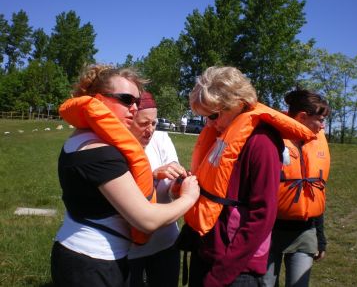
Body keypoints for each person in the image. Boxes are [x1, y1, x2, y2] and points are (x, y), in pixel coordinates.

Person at [51, 64, 199, 287]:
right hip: (92, 264)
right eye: (127, 100)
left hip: (80, 255)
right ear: (98, 99)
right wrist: (189, 196)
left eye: (137, 102)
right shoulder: (99, 151)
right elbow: (146, 220)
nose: (133, 108)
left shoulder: (82, 138)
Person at [180, 66, 315, 287]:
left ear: (236, 103)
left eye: (213, 115)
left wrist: (220, 275)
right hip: (208, 252)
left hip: (235, 269)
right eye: (205, 117)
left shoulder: (261, 142)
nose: (209, 124)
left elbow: (262, 215)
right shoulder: (221, 134)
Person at [263, 88, 331, 287]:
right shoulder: (271, 140)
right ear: (302, 117)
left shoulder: (317, 143)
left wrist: (320, 238)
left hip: (305, 233)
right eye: (319, 119)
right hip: (269, 233)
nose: (322, 126)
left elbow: (316, 192)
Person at [128, 91, 185, 287]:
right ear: (128, 119)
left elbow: (171, 189)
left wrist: (180, 183)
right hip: (129, 247)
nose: (150, 130)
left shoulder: (161, 139)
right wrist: (152, 175)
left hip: (166, 241)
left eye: (154, 123)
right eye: (143, 123)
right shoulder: (117, 147)